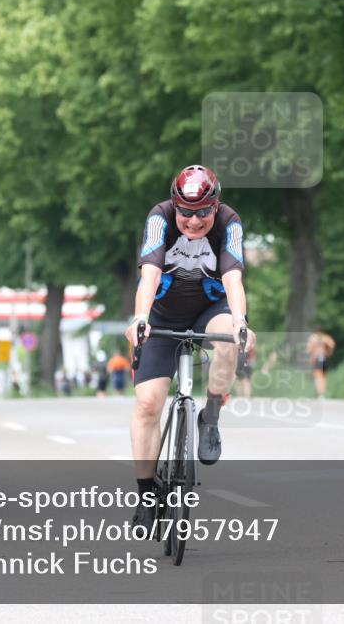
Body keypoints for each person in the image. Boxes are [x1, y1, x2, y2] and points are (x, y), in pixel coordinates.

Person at [124, 165, 254, 533]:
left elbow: (233, 277)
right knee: (148, 403)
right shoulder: (159, 218)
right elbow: (149, 275)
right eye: (185, 211)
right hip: (162, 313)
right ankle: (147, 496)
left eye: (202, 213)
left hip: (208, 310)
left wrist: (242, 321)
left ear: (216, 206)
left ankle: (210, 415)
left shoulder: (230, 222)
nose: (193, 221)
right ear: (174, 205)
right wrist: (139, 318)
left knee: (229, 338)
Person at [306, 328, 336, 400]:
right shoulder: (325, 337)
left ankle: (320, 393)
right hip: (324, 358)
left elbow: (308, 349)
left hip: (317, 359)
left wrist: (312, 355)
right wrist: (329, 352)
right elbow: (332, 344)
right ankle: (323, 393)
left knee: (318, 377)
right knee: (324, 377)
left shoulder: (313, 338)